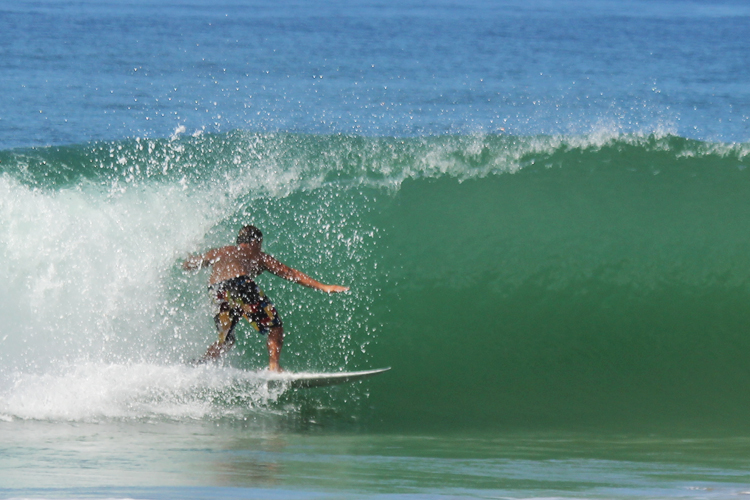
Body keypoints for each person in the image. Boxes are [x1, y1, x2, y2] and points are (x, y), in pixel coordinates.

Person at [182, 225, 349, 371]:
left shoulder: (218, 252)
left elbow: (190, 264)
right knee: (275, 327)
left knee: (226, 340)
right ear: (254, 242)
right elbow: (289, 273)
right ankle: (274, 367)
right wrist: (324, 287)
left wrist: (185, 254)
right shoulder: (257, 255)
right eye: (260, 244)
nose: (260, 248)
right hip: (239, 284)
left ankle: (199, 365)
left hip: (216, 291)